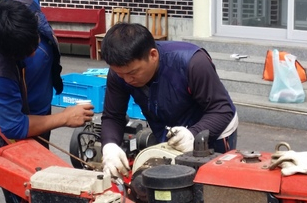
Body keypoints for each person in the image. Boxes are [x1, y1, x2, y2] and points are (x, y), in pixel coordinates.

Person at [0, 0, 95, 203]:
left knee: (47, 181)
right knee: (24, 196)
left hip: (41, 114)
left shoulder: (24, 3)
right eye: (26, 51)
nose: (33, 52)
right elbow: (14, 126)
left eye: (35, 43)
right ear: (8, 52)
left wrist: (55, 118)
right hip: (13, 130)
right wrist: (64, 117)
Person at [99, 23, 238, 179]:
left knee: (212, 186)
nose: (127, 80)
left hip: (213, 129)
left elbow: (222, 109)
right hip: (170, 132)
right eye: (120, 74)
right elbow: (113, 116)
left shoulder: (193, 62)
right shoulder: (119, 73)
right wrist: (110, 146)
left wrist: (193, 134)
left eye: (133, 73)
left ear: (153, 55)